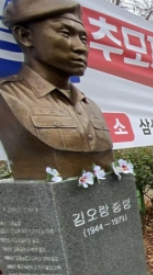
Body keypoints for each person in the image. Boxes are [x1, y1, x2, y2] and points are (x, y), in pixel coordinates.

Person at [0, 0, 114, 180]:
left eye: (83, 38)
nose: (80, 47)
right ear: (25, 36)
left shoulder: (90, 106)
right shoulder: (6, 97)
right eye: (65, 33)